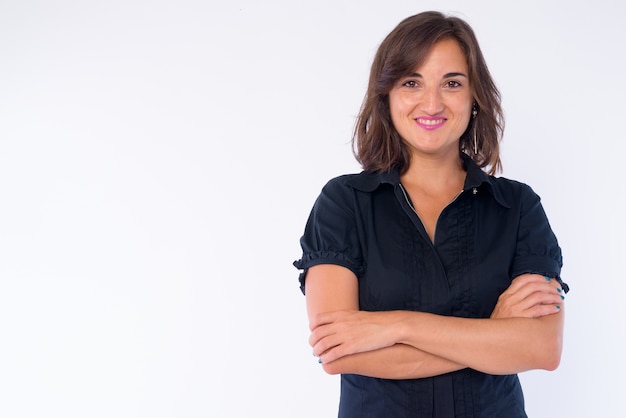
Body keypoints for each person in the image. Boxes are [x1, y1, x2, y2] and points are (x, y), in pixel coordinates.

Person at [293, 10, 569, 418]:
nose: (432, 102)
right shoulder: (344, 203)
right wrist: (493, 334)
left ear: (475, 96)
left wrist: (396, 326)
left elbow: (542, 348)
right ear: (386, 95)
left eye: (452, 83)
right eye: (411, 82)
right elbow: (336, 353)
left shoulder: (518, 207)